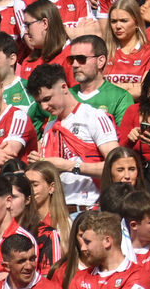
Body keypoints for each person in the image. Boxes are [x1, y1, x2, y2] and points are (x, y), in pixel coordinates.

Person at [28, 64, 118, 210]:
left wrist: (68, 166)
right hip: (58, 212)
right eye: (39, 102)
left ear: (64, 87)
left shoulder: (94, 117)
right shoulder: (50, 127)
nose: (44, 107)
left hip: (91, 209)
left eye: (47, 98)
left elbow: (117, 166)